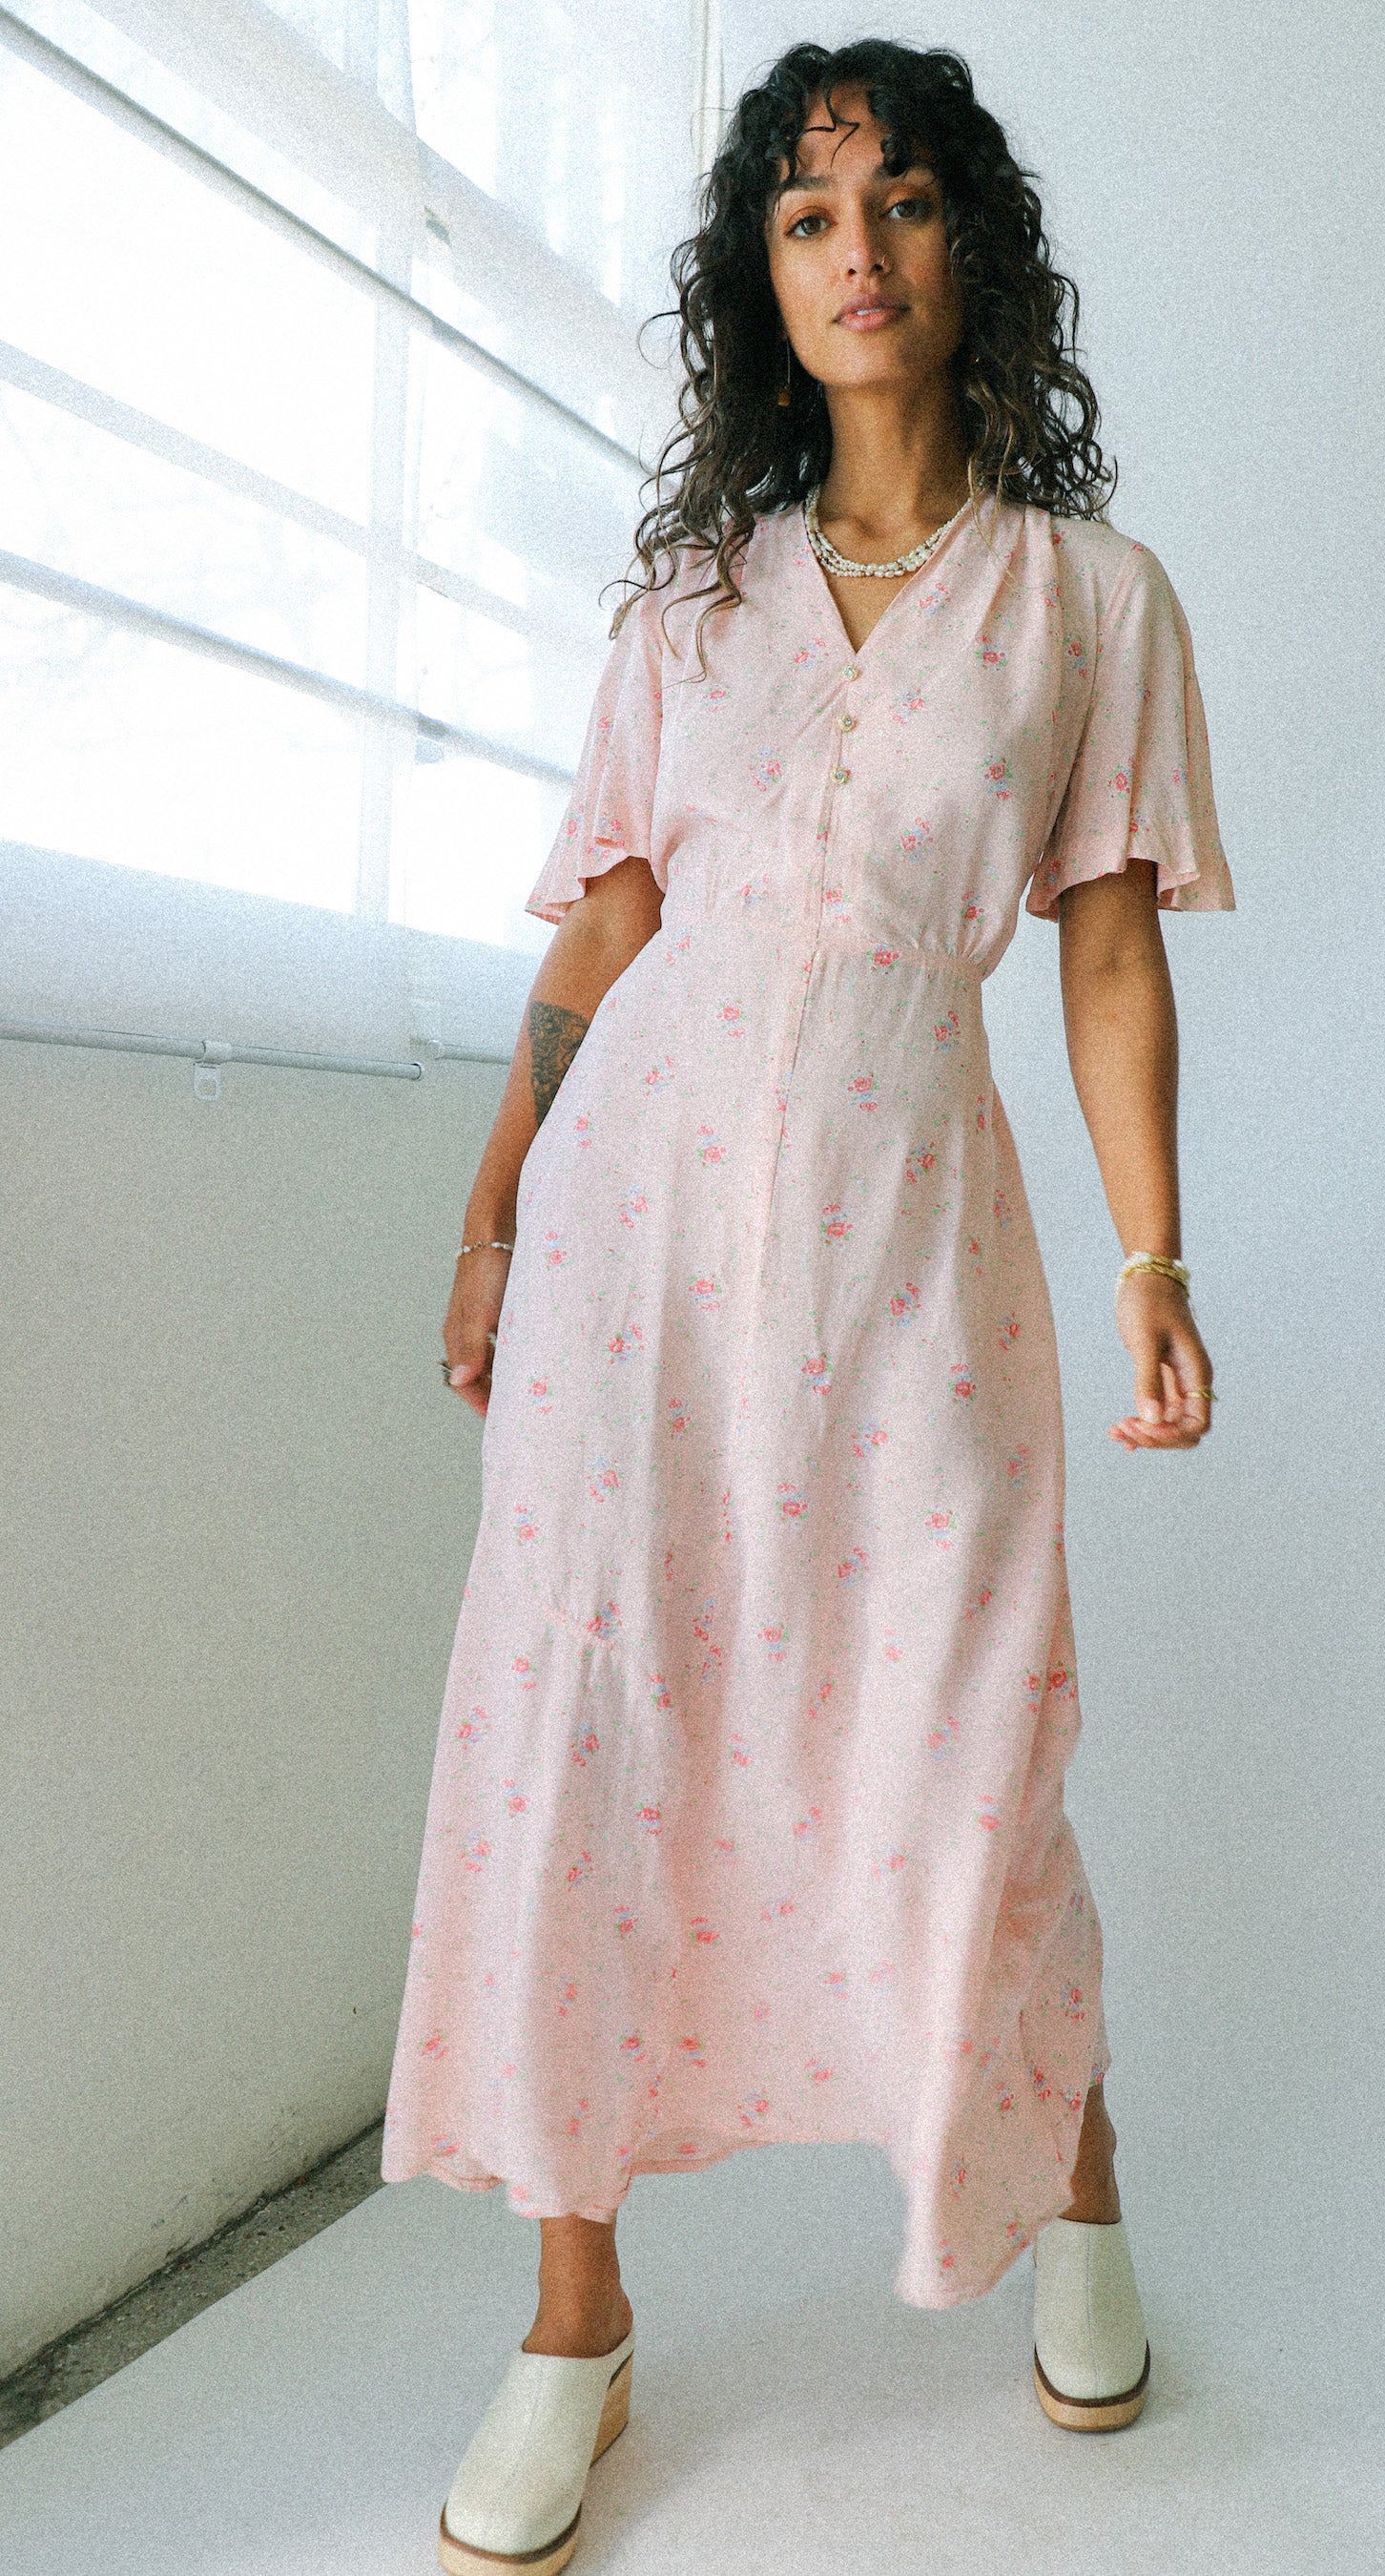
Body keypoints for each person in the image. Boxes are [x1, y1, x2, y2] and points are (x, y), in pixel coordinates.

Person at [382, 37, 1234, 2574]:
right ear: (762, 279)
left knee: (963, 1745)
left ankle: (1071, 2184)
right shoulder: (691, 606)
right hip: (631, 1257)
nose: (858, 249)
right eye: (806, 215)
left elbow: (1105, 954)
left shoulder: (1086, 601)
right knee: (593, 1737)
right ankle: (574, 2321)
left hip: (912, 1250)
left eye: (905, 199)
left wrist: (1156, 1254)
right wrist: (496, 1198)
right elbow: (610, 920)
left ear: (978, 248)